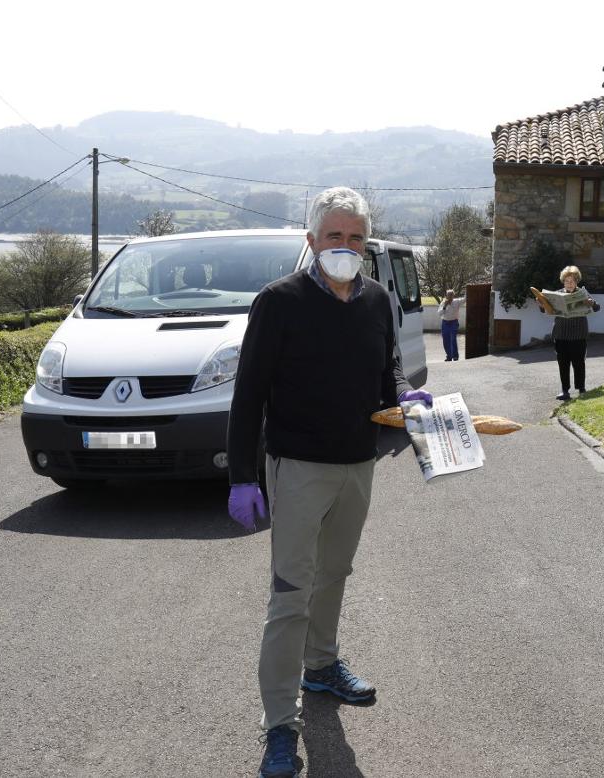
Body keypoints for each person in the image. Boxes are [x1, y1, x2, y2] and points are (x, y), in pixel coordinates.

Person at [226, 186, 432, 778]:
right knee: (291, 592)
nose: (346, 246)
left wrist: (405, 398)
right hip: (297, 467)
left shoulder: (376, 300)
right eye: (335, 236)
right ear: (312, 239)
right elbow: (249, 394)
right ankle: (279, 724)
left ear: (367, 244)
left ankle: (321, 667)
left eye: (356, 237)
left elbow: (387, 373)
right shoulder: (279, 302)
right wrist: (242, 476)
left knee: (335, 573)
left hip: (358, 464)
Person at [549, 265, 600, 401]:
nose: (569, 284)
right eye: (566, 281)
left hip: (578, 334)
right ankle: (565, 391)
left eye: (571, 281)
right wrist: (541, 304)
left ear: (576, 281)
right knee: (563, 364)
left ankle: (581, 389)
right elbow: (546, 310)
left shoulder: (582, 293)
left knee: (579, 363)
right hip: (561, 334)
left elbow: (597, 307)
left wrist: (591, 303)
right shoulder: (557, 294)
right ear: (563, 281)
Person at [437, 288, 465, 361]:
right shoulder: (443, 303)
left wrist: (467, 291)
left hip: (454, 322)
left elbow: (465, 299)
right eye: (448, 295)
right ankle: (449, 356)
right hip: (445, 323)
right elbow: (439, 313)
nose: (449, 296)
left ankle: (455, 356)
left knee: (453, 339)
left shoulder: (457, 301)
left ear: (453, 296)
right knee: (446, 340)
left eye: (451, 295)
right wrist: (445, 306)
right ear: (446, 296)